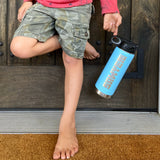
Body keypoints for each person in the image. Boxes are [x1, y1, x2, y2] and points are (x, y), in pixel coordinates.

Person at [10, 0, 122, 159]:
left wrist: (111, 9)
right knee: (19, 48)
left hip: (76, 7)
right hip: (43, 6)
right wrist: (27, 1)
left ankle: (68, 122)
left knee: (72, 59)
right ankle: (74, 42)